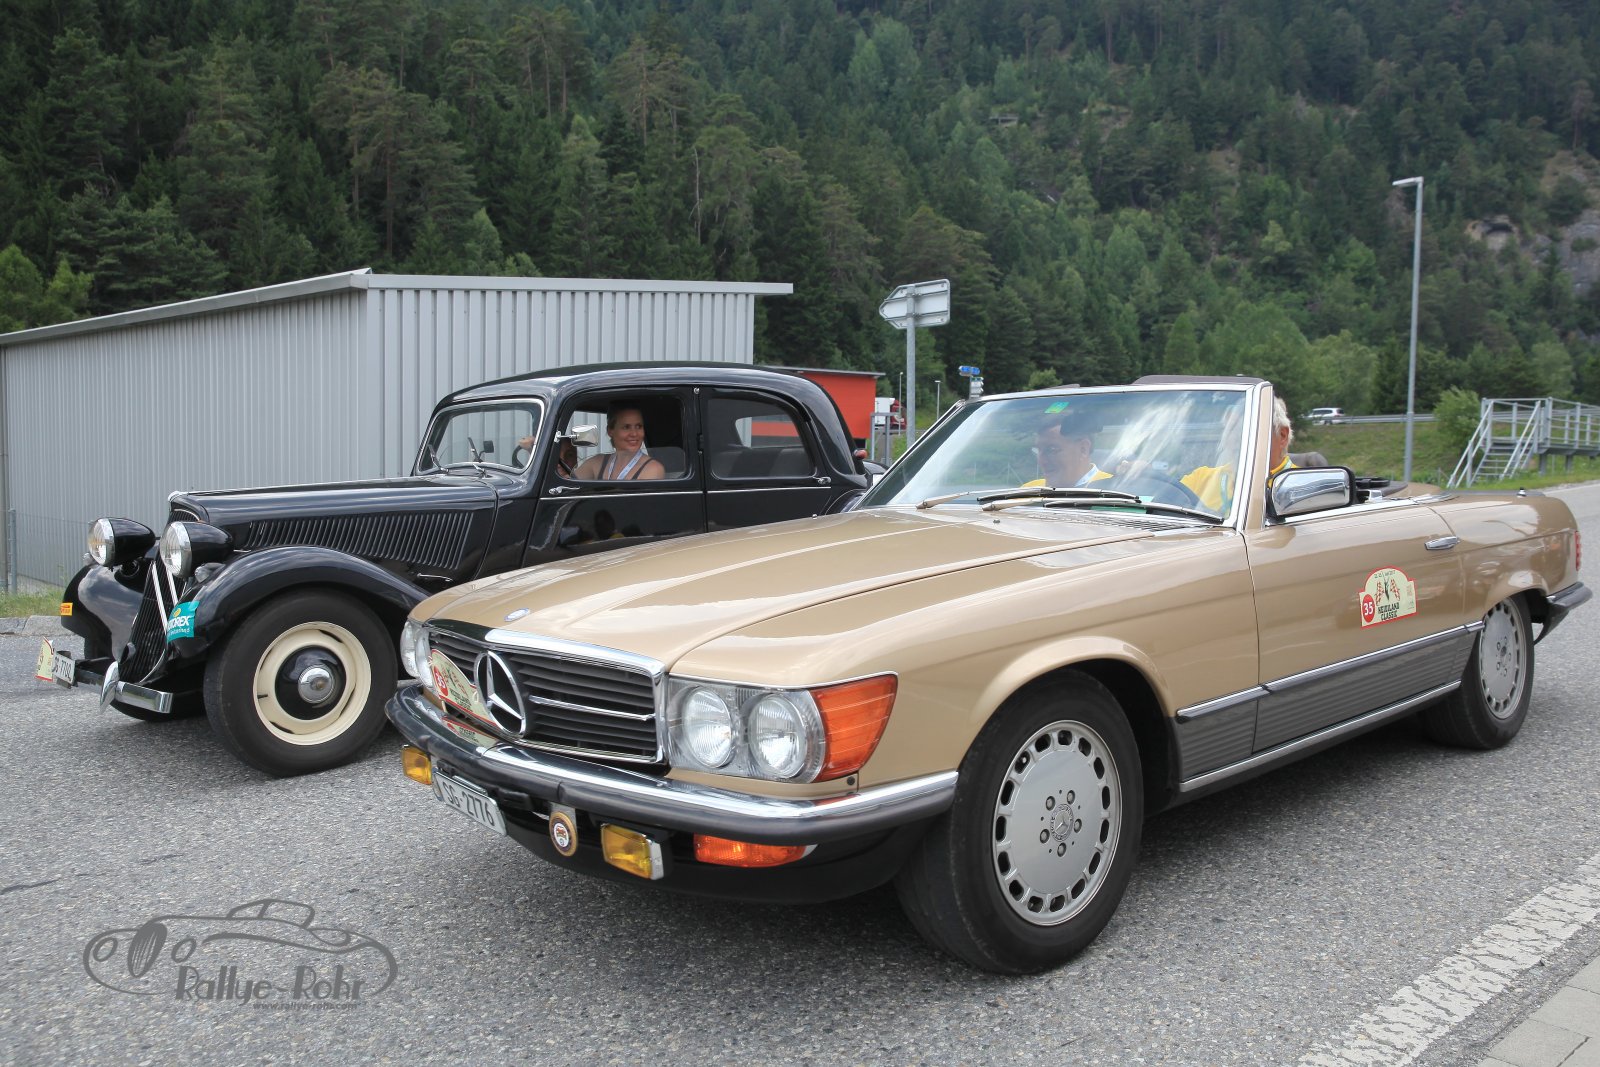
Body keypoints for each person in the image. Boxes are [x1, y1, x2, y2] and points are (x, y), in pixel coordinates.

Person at [1179, 396, 1297, 512]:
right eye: (1230, 430)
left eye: (1246, 431)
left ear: (1282, 436)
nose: (1235, 440)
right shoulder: (1201, 479)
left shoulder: (1299, 485)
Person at [1023, 410, 1114, 488]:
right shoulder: (1028, 491)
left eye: (1052, 450)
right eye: (1039, 450)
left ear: (1083, 449)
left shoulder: (1113, 490)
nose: (1041, 461)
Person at [572, 405, 666, 481]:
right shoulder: (596, 463)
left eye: (639, 426)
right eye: (626, 427)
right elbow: (568, 485)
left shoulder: (653, 469)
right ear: (610, 431)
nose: (634, 434)